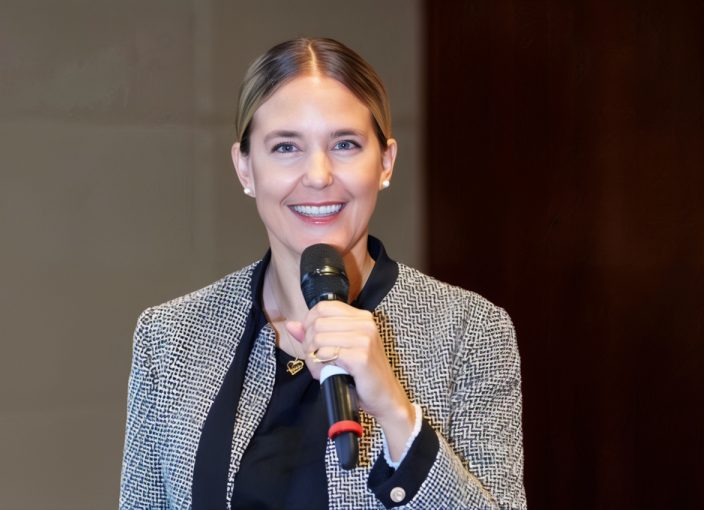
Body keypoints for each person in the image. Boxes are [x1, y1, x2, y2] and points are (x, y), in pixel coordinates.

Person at [120, 37, 526, 509]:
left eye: (345, 144)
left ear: (386, 162)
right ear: (245, 168)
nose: (318, 174)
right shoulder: (170, 337)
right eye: (286, 146)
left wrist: (395, 412)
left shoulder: (470, 331)